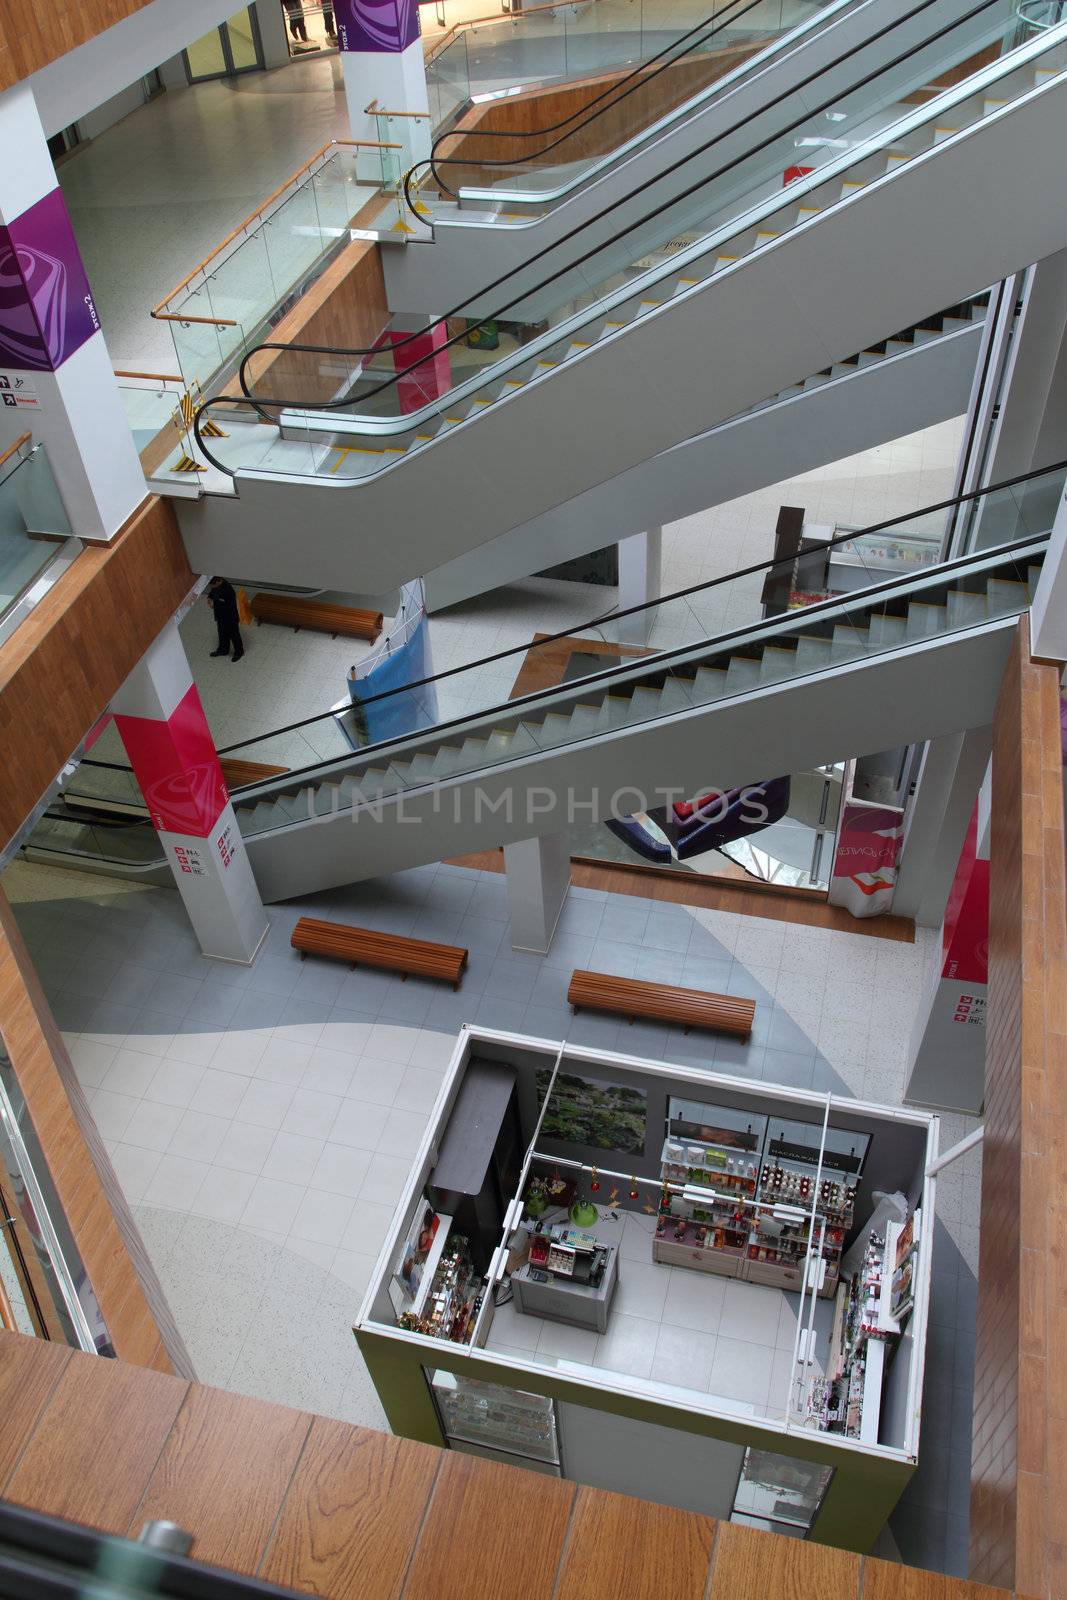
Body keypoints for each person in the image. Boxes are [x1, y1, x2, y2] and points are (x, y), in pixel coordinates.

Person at [207, 576, 244, 662]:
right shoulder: (216, 585)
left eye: (213, 585)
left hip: (230, 617)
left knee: (234, 635)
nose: (212, 587)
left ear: (218, 582)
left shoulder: (228, 591)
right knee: (222, 633)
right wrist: (209, 598)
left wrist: (214, 605)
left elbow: (226, 606)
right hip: (220, 617)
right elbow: (212, 593)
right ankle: (223, 650)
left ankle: (239, 652)